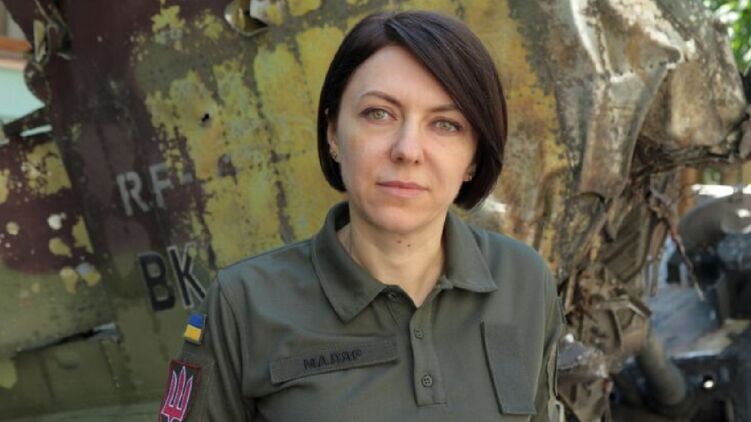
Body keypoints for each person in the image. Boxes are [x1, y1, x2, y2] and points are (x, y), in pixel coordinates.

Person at [158, 10, 563, 422]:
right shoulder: (243, 305)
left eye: (445, 124)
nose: (408, 150)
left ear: (474, 157)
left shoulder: (525, 282)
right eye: (378, 114)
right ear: (333, 132)